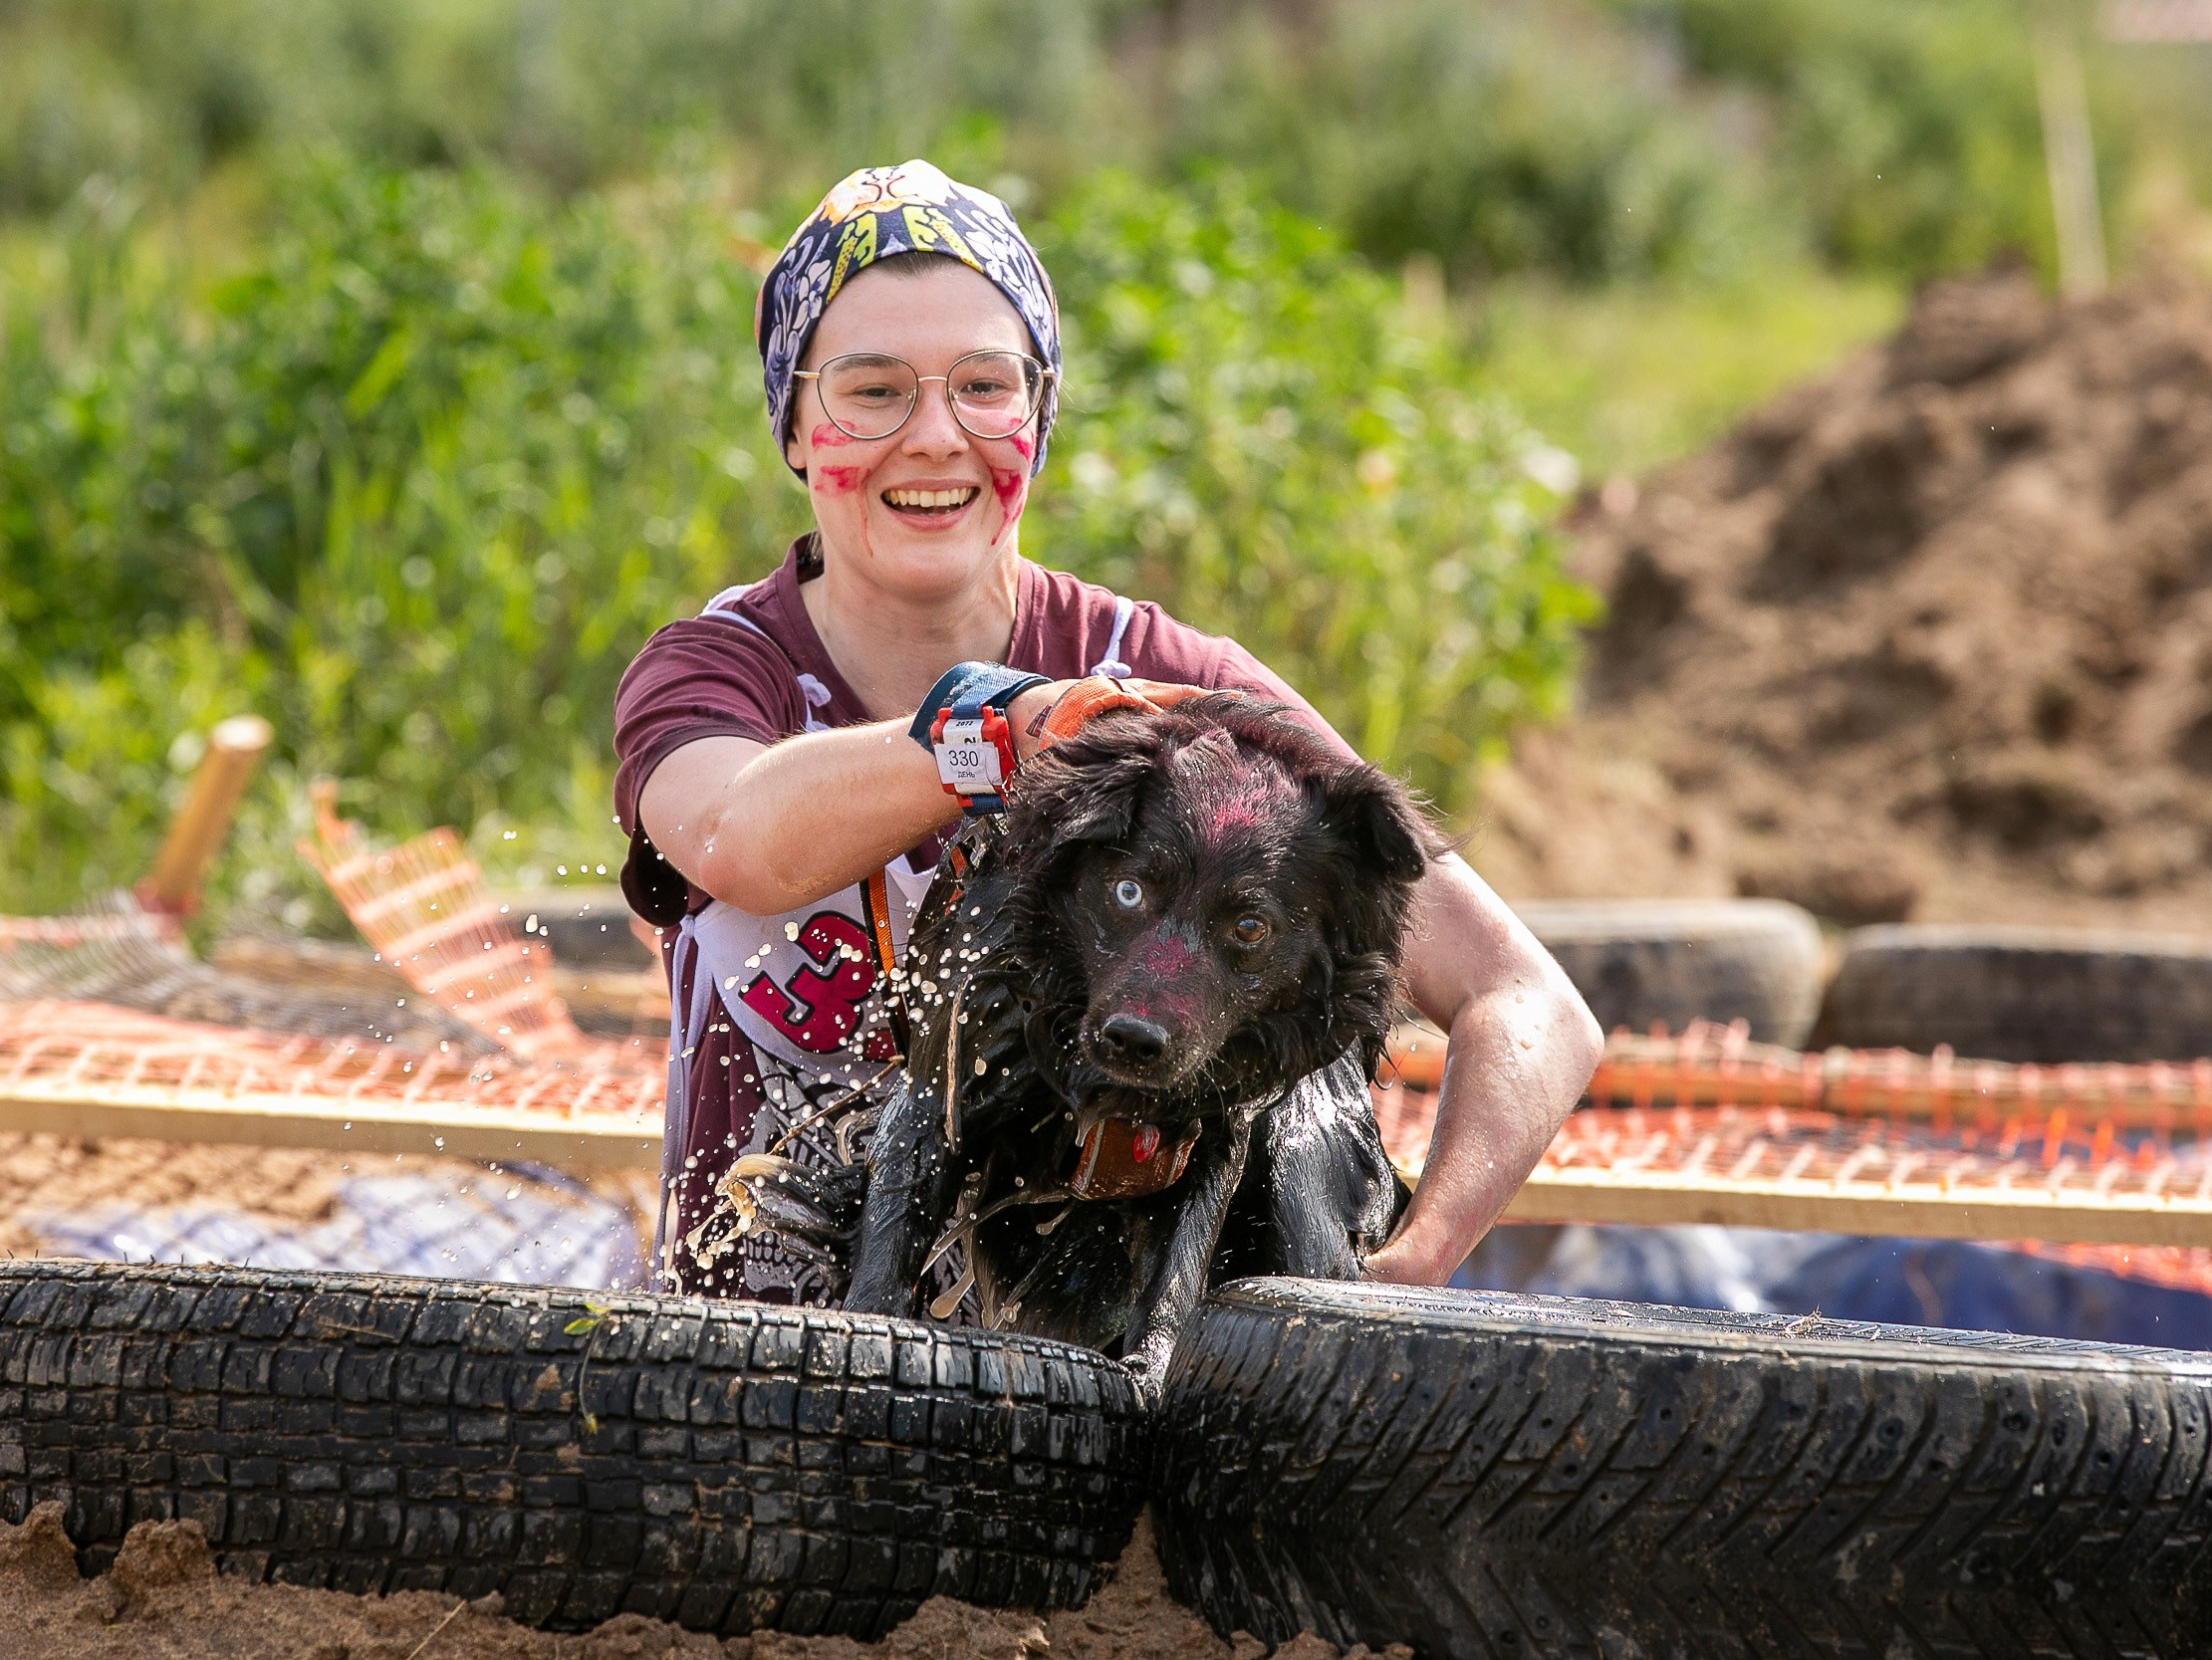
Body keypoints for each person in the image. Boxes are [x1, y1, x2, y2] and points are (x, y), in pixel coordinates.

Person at [614, 160, 1600, 1303]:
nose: (935, 437)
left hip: (1091, 1385)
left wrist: (1412, 1261)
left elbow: (1529, 1001)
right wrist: (1010, 729)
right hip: (740, 1372)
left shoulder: (1179, 689)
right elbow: (744, 840)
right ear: (793, 424)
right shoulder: (720, 668)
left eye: (985, 386)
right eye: (871, 390)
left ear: (1039, 412)